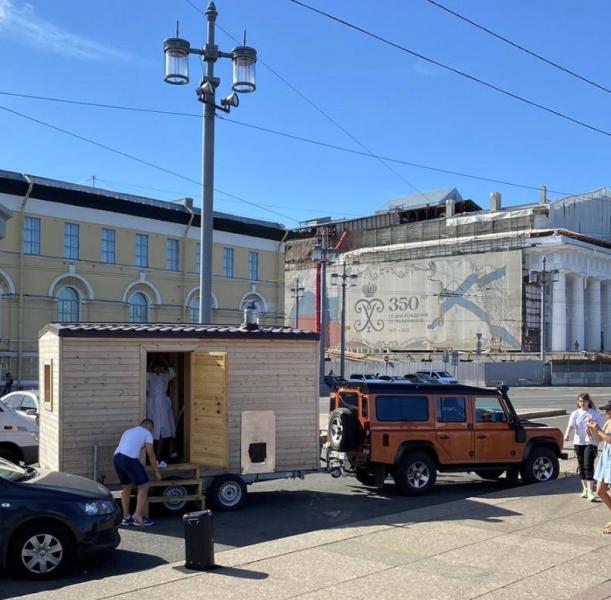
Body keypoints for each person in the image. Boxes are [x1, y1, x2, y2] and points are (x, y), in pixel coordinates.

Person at [113, 418, 161, 527]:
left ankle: (126, 517)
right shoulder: (147, 433)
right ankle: (137, 515)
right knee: (144, 485)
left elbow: (130, 446)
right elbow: (151, 454)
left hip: (116, 458)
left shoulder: (128, 431)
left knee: (126, 487)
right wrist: (156, 471)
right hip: (129, 458)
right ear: (150, 426)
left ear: (141, 424)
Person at [564, 393, 605, 501]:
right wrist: (567, 434)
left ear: (588, 402)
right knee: (581, 465)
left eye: (584, 401)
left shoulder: (594, 413)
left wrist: (592, 428)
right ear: (578, 402)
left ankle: (591, 491)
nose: (582, 403)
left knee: (588, 465)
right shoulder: (575, 413)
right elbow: (570, 425)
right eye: (580, 401)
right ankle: (585, 489)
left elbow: (601, 428)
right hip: (579, 442)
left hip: (590, 442)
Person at [586, 401, 611, 534]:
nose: (605, 412)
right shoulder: (608, 422)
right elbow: (599, 440)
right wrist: (591, 430)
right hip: (606, 459)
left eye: (608, 410)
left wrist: (599, 430)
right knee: (600, 491)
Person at [146, 358, 176, 464]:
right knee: (153, 431)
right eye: (156, 367)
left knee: (166, 430)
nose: (158, 369)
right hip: (153, 403)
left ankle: (164, 457)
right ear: (153, 368)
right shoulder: (150, 376)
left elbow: (172, 373)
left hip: (163, 403)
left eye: (160, 367)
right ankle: (151, 458)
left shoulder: (165, 376)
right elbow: (145, 375)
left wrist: (165, 361)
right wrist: (151, 364)